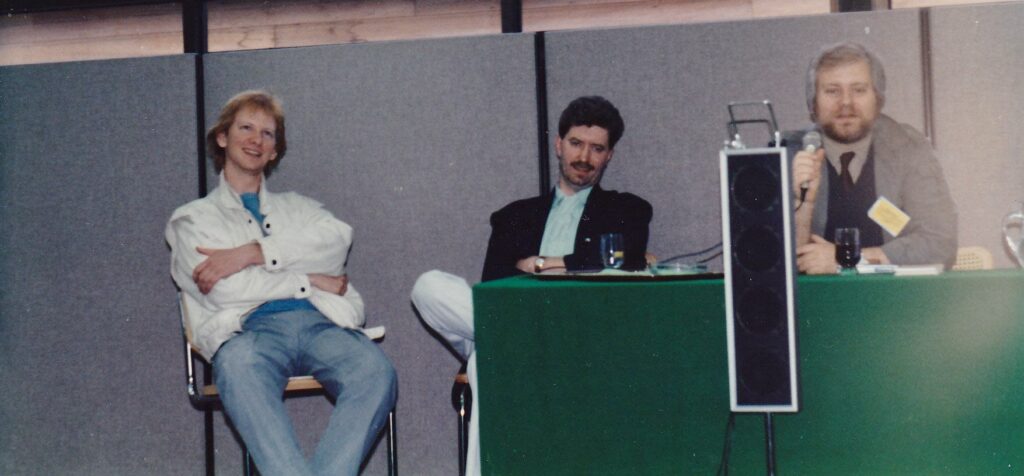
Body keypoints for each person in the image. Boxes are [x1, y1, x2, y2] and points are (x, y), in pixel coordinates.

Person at [411, 96, 652, 475]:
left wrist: (543, 264)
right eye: (576, 143)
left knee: (485, 362)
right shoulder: (514, 216)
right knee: (428, 286)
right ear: (558, 144)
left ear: (609, 156)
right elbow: (494, 286)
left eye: (596, 148)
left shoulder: (628, 209)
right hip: (513, 320)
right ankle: (515, 337)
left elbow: (626, 258)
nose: (584, 157)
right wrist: (567, 269)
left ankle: (510, 341)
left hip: (575, 332)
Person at [165, 91, 396, 476]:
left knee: (375, 373)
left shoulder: (300, 208)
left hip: (321, 322)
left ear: (274, 151)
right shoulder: (192, 219)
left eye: (267, 134)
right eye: (246, 128)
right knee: (238, 369)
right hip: (248, 331)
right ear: (222, 137)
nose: (256, 140)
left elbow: (338, 243)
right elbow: (222, 290)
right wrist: (309, 279)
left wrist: (251, 253)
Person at [789, 42, 957, 274]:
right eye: (832, 91)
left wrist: (850, 259)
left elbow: (940, 243)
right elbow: (771, 262)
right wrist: (803, 204)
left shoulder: (908, 149)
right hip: (817, 296)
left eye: (858, 90)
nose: (846, 102)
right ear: (813, 102)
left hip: (894, 293)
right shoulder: (788, 156)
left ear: (877, 99)